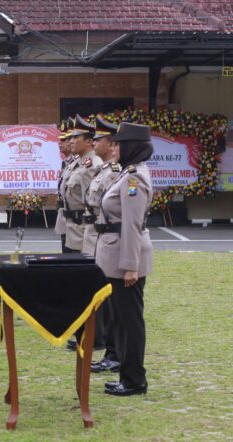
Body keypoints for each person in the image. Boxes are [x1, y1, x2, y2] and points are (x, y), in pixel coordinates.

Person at [95, 122, 154, 396]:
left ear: (132, 147)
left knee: (130, 321)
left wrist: (130, 267)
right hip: (116, 254)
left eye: (119, 144)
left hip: (125, 259)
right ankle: (127, 374)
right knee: (121, 318)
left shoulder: (134, 179)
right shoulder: (127, 174)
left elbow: (131, 224)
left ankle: (134, 380)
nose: (114, 148)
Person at [83, 116, 122, 373]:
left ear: (112, 143)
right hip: (98, 236)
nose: (94, 142)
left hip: (109, 238)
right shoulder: (103, 170)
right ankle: (110, 349)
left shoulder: (117, 173)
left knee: (113, 302)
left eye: (99, 139)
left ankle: (114, 352)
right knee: (105, 298)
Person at [63, 115, 102, 253]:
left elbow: (92, 204)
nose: (70, 141)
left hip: (83, 230)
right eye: (70, 138)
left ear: (89, 141)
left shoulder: (93, 165)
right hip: (73, 228)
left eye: (75, 138)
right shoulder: (79, 162)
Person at [54, 118, 75, 252]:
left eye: (64, 140)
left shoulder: (79, 164)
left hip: (75, 217)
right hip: (64, 214)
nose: (59, 143)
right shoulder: (66, 163)